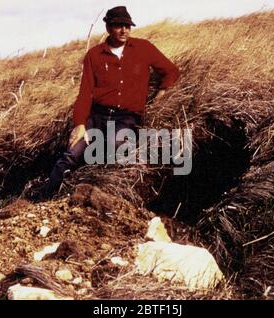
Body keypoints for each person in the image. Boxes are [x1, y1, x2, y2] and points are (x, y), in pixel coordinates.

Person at [43, 6, 180, 199]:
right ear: (108, 27)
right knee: (71, 154)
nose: (124, 30)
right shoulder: (94, 55)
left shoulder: (143, 48)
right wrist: (80, 124)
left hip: (126, 117)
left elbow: (171, 70)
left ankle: (93, 191)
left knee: (114, 145)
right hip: (97, 116)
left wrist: (162, 92)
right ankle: (43, 202)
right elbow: (84, 94)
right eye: (118, 26)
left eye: (127, 25)